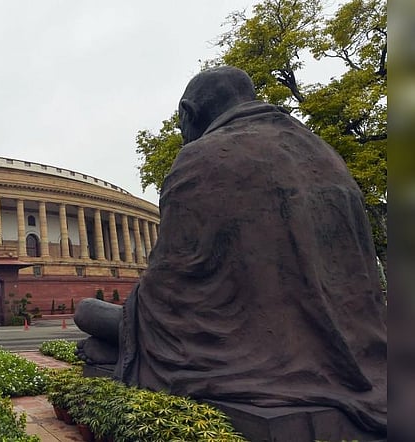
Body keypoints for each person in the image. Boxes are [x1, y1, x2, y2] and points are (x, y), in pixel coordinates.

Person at [74, 66, 386, 435]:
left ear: (188, 113)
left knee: (88, 312)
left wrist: (132, 330)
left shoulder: (200, 158)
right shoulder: (326, 155)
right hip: (357, 347)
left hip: (234, 346)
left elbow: (169, 289)